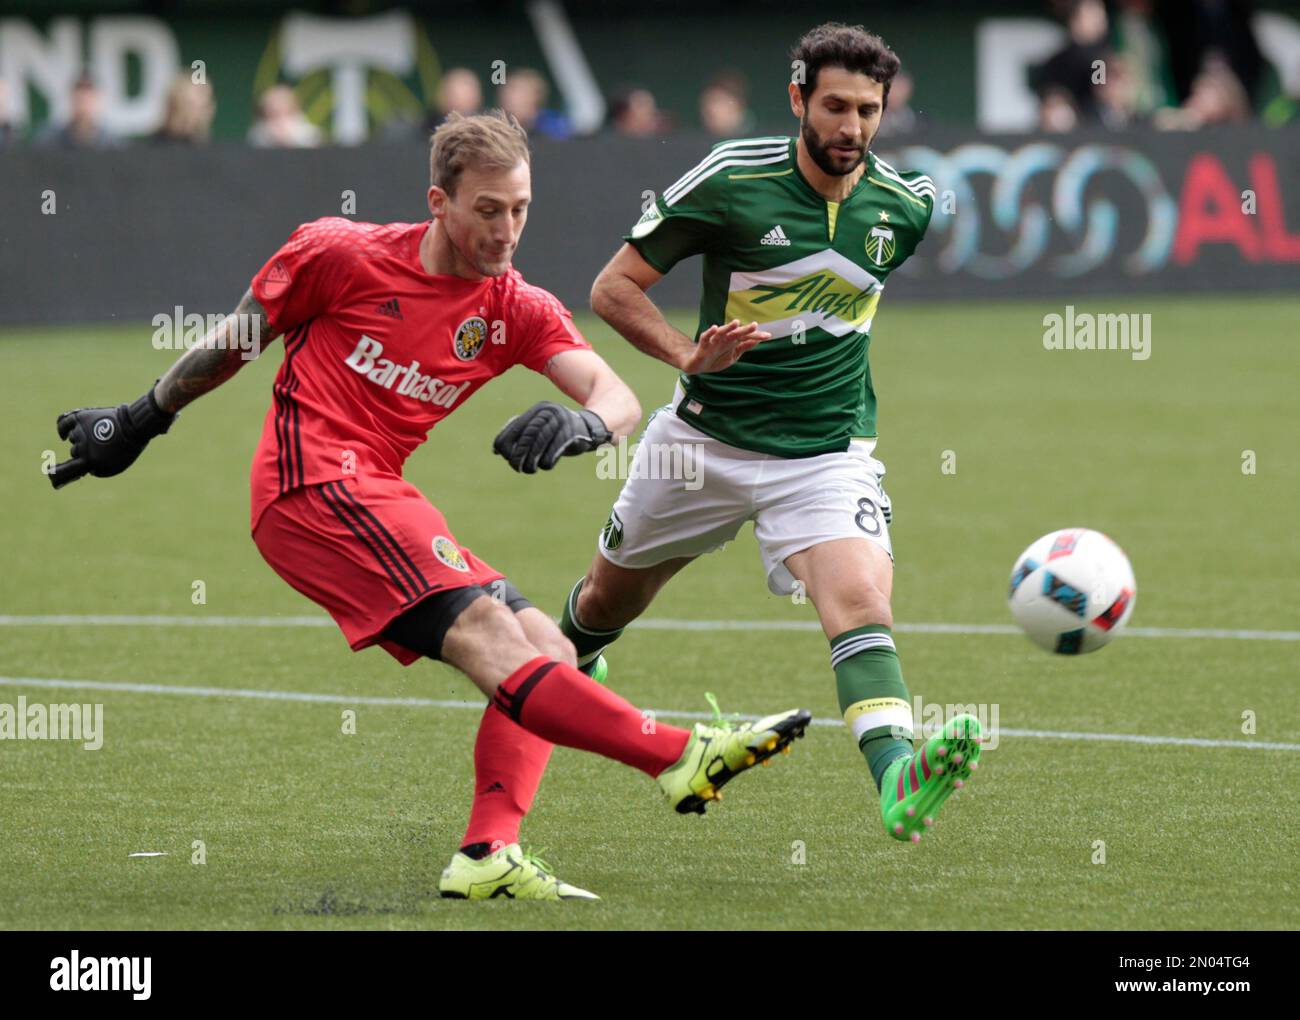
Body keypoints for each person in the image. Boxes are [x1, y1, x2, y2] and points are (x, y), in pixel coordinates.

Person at [47, 111, 810, 900]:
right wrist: (142, 417)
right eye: (488, 210)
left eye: (520, 209)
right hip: (309, 486)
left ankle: (487, 855)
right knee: (488, 633)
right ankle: (678, 754)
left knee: (546, 643)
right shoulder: (337, 253)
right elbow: (237, 341)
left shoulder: (513, 306)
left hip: (378, 489)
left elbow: (612, 391)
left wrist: (587, 423)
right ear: (438, 203)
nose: (507, 229)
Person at [546, 23, 983, 845]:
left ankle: (899, 776)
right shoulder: (730, 179)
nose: (851, 127)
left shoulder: (907, 206)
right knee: (607, 600)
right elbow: (613, 288)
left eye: (868, 109)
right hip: (702, 442)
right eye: (835, 106)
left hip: (826, 456)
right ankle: (567, 663)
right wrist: (688, 355)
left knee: (859, 601)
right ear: (798, 100)